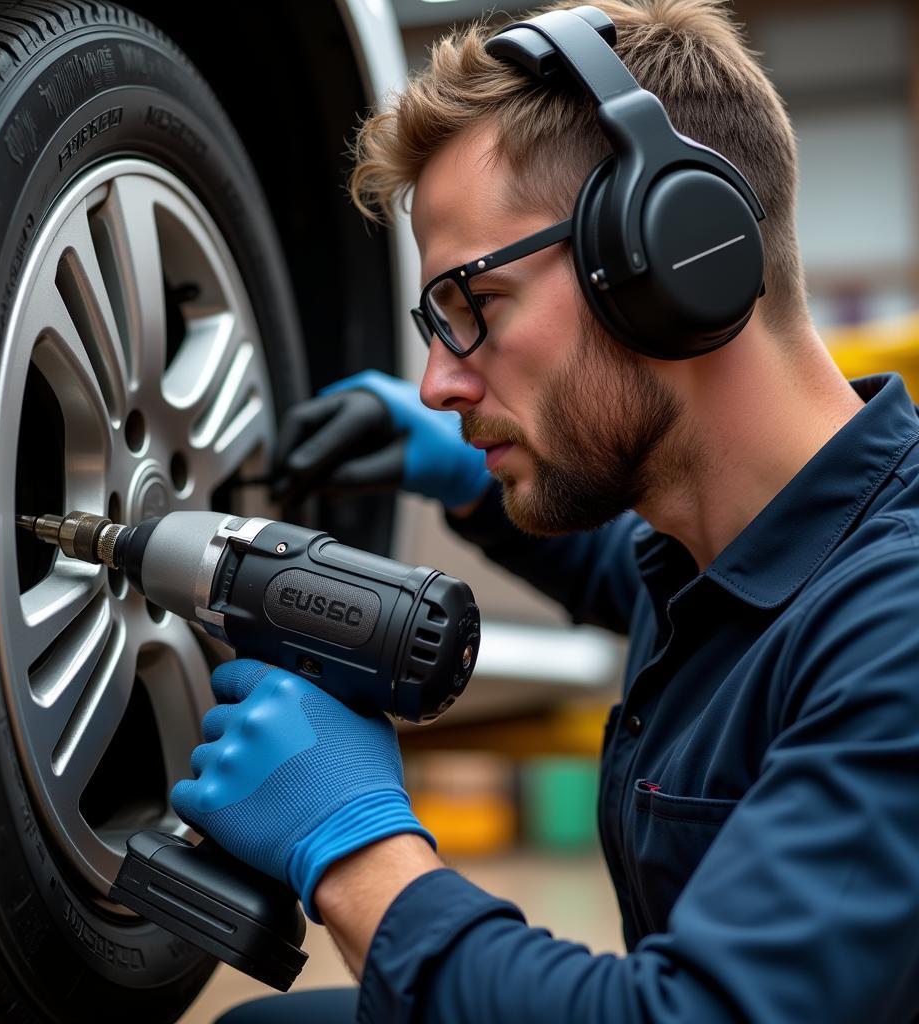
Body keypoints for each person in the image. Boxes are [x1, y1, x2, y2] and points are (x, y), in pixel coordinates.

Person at [170, 1, 919, 1021]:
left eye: (473, 309)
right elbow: (653, 586)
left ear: (666, 257)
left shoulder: (898, 631)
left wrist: (357, 851)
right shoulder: (723, 543)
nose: (436, 383)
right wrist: (467, 476)